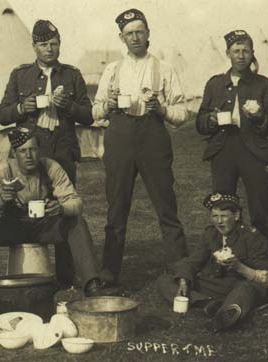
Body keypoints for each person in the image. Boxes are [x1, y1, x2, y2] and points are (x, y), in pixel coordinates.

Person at [0, 128, 114, 310]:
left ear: (39, 151)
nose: (29, 156)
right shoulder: (3, 170)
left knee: (77, 223)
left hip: (44, 227)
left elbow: (76, 203)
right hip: (13, 227)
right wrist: (0, 202)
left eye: (33, 150)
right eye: (23, 151)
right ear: (14, 154)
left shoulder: (50, 167)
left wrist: (61, 208)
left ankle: (92, 286)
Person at [92, 9, 189, 285]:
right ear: (121, 38)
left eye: (140, 32)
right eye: (129, 33)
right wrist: (107, 106)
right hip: (120, 136)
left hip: (153, 137)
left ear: (148, 34)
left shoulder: (165, 69)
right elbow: (94, 111)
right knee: (116, 207)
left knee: (166, 206)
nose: (135, 37)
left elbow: (183, 114)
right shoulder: (112, 70)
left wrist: (162, 109)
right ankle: (109, 273)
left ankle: (180, 271)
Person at [0, 19, 93, 287]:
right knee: (29, 201)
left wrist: (70, 106)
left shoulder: (72, 75)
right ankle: (28, 268)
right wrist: (21, 108)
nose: (49, 49)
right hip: (32, 147)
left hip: (62, 147)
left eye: (54, 43)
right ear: (34, 47)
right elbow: (2, 114)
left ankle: (65, 274)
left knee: (63, 205)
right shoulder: (21, 75)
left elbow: (88, 115)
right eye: (43, 44)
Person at [195, 30, 268, 259]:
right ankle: (224, 258)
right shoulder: (215, 84)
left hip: (254, 152)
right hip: (223, 152)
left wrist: (259, 118)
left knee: (259, 209)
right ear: (228, 53)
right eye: (236, 51)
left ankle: (263, 261)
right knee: (223, 210)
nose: (241, 55)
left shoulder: (263, 85)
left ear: (252, 53)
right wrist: (211, 120)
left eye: (246, 51)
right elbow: (200, 122)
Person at [156, 193, 268, 333]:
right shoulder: (210, 234)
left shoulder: (252, 237)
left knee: (246, 290)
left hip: (240, 284)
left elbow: (265, 278)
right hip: (216, 285)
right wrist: (183, 281)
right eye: (215, 216)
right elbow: (194, 261)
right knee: (166, 280)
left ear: (236, 216)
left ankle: (221, 319)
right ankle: (210, 304)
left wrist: (239, 267)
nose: (219, 222)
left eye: (223, 216)